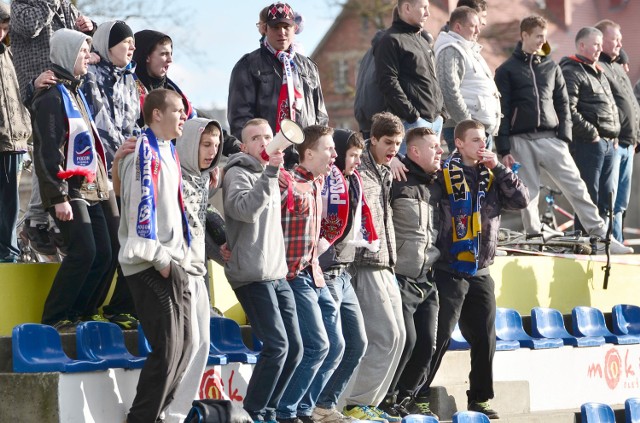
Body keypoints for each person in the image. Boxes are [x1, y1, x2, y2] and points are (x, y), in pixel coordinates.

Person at [494, 16, 633, 254]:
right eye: (538, 36)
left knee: (577, 187)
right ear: (524, 35)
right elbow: (502, 111)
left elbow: (563, 104)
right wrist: (504, 149)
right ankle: (532, 238)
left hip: (551, 138)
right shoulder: (506, 70)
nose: (542, 41)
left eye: (545, 36)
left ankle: (601, 238)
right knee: (529, 194)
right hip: (520, 140)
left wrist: (564, 138)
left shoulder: (551, 67)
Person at [419, 120, 529, 420]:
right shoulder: (445, 172)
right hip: (449, 267)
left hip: (480, 269)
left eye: (485, 139)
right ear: (459, 143)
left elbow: (521, 200)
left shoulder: (492, 175)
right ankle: (416, 394)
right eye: (476, 140)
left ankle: (479, 398)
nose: (483, 145)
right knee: (437, 336)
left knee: (485, 337)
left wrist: (502, 170)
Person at [222, 118, 303, 423]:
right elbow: (244, 210)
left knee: (295, 348)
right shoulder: (238, 172)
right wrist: (269, 173)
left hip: (276, 273)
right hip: (252, 275)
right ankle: (252, 413)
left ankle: (270, 411)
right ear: (243, 147)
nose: (265, 142)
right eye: (256, 138)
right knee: (277, 346)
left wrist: (273, 173)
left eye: (268, 136)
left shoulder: (272, 174)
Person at [118, 88, 191, 423]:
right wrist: (161, 261)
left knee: (186, 347)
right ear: (157, 114)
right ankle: (141, 418)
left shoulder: (168, 152)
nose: (184, 117)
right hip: (148, 264)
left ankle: (158, 413)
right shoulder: (141, 154)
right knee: (167, 349)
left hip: (173, 262)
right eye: (177, 110)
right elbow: (135, 213)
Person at [32, 28, 110, 332]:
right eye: (82, 52)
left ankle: (82, 312)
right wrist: (58, 196)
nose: (88, 58)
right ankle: (55, 317)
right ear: (67, 54)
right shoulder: (52, 96)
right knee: (84, 252)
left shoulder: (75, 90)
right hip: (69, 190)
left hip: (92, 188)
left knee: (105, 253)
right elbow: (48, 150)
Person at [11, 0, 95, 257]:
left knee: (60, 146)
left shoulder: (66, 7)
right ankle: (36, 218)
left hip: (64, 85)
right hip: (35, 86)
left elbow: (79, 39)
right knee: (45, 146)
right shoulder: (22, 4)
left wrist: (90, 28)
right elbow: (30, 26)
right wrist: (50, 4)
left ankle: (48, 213)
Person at [276, 125, 343, 423]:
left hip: (315, 274)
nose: (335, 155)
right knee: (318, 345)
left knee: (337, 346)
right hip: (295, 276)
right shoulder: (288, 180)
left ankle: (305, 408)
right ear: (309, 153)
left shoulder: (318, 182)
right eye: (329, 149)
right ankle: (286, 411)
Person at [343, 112, 405, 423]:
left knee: (400, 337)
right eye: (388, 142)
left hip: (387, 263)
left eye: (397, 143)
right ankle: (355, 401)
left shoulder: (383, 171)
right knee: (384, 334)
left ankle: (369, 403)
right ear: (373, 140)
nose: (393, 149)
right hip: (366, 264)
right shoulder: (360, 172)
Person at [81, 20, 141, 328]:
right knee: (106, 248)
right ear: (106, 45)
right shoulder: (88, 75)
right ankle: (84, 310)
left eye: (133, 43)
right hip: (97, 173)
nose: (132, 48)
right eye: (125, 42)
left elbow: (132, 123)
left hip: (126, 172)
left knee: (128, 245)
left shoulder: (130, 80)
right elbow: (92, 125)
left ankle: (117, 307)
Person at [380, 127, 442, 419]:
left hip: (427, 278)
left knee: (429, 343)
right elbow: (359, 153)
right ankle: (385, 399)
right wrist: (389, 160)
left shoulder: (439, 182)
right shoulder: (394, 177)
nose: (440, 151)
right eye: (434, 147)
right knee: (407, 341)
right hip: (401, 276)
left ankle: (405, 399)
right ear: (414, 151)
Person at [166, 117, 224, 423]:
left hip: (198, 271)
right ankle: (166, 411)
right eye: (205, 144)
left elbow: (199, 227)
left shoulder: (203, 181)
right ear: (189, 143)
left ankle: (177, 412)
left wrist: (220, 249)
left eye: (215, 146)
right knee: (185, 344)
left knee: (202, 344)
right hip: (177, 271)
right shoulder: (171, 176)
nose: (212, 152)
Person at [313, 129, 370, 423]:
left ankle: (323, 404)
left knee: (357, 344)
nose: (357, 162)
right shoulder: (325, 183)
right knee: (332, 345)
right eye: (353, 156)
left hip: (344, 273)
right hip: (327, 272)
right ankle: (309, 405)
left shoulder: (352, 181)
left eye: (360, 156)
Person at [228, 2, 328, 167]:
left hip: (305, 160)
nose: (281, 32)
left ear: (294, 28)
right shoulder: (248, 65)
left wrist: (317, 153)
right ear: (265, 29)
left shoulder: (309, 67)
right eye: (275, 27)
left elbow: (321, 117)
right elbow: (240, 121)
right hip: (266, 162)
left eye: (286, 26)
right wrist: (258, 158)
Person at [560, 27, 620, 234]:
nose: (599, 49)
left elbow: (610, 106)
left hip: (609, 143)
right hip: (588, 144)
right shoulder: (571, 71)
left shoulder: (599, 73)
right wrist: (592, 133)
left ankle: (604, 241)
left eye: (601, 44)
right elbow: (568, 109)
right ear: (582, 45)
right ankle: (586, 242)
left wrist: (615, 134)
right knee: (589, 197)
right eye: (596, 44)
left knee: (607, 197)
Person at [374, 0, 444, 155]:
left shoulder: (423, 40)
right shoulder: (390, 40)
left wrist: (441, 113)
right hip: (411, 123)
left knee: (430, 177)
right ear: (407, 8)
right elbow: (387, 81)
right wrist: (412, 116)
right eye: (424, 8)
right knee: (407, 176)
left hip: (435, 121)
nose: (428, 13)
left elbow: (432, 79)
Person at [595, 19, 640, 242]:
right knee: (608, 202)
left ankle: (617, 242)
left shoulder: (617, 66)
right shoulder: (599, 67)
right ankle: (608, 244)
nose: (620, 44)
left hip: (628, 145)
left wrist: (636, 139)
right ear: (600, 41)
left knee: (620, 203)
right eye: (615, 39)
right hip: (612, 143)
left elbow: (631, 103)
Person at [434, 6, 500, 153]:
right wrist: (468, 125)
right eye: (473, 26)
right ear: (458, 27)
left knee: (480, 176)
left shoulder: (468, 49)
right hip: (466, 131)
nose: (478, 30)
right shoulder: (451, 49)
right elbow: (448, 90)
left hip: (478, 131)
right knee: (467, 175)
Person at [0, 2, 32, 263]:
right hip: (3, 139)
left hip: (16, 141)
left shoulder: (12, 55)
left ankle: (8, 255)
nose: (1, 32)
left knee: (11, 207)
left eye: (4, 27)